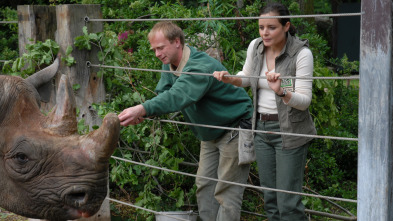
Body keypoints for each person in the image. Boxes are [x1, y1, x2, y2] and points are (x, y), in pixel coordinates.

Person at [118, 21, 253, 221]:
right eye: (154, 49)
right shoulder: (169, 63)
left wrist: (142, 108)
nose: (157, 54)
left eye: (161, 48)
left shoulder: (200, 66)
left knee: (227, 192)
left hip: (234, 128)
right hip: (209, 133)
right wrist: (144, 113)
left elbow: (178, 96)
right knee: (204, 185)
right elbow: (163, 93)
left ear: (177, 42)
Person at [213, 3, 316, 221]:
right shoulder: (256, 46)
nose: (264, 33)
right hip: (260, 129)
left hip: (289, 131)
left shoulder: (302, 53)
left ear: (286, 26)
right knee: (270, 200)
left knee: (288, 203)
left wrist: (282, 92)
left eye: (271, 27)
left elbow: (304, 101)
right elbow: (247, 76)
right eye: (261, 27)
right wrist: (229, 78)